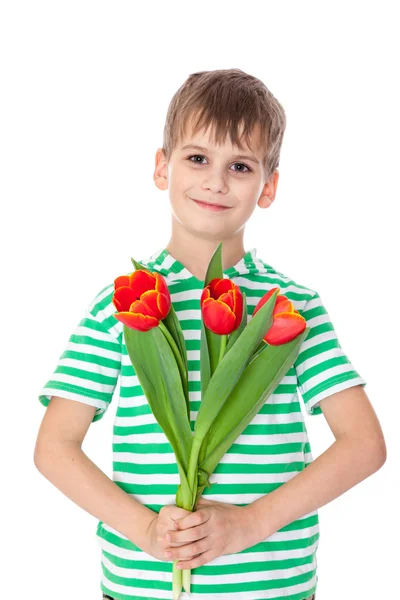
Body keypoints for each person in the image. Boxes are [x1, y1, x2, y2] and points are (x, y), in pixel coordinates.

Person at [34, 68, 386, 600]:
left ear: (267, 187)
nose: (216, 181)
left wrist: (249, 524)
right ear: (161, 166)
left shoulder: (290, 309)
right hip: (144, 587)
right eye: (197, 158)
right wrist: (147, 531)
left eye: (240, 166)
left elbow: (364, 444)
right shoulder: (121, 304)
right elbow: (54, 447)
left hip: (270, 585)